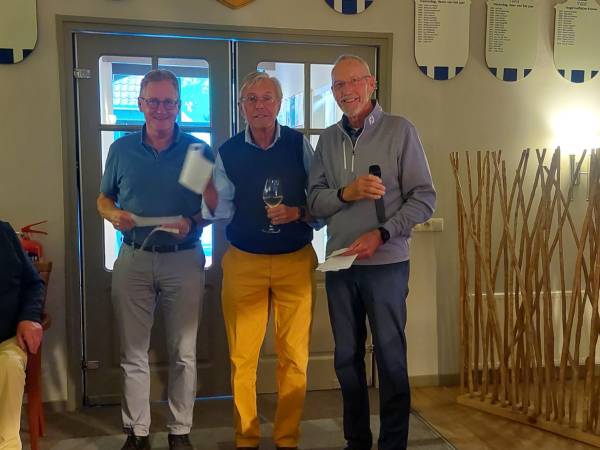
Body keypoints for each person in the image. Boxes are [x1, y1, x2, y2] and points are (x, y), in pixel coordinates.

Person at [308, 55, 436, 450]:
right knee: (346, 359)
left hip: (387, 265)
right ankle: (357, 441)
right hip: (340, 265)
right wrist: (346, 193)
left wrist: (382, 233)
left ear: (371, 83)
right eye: (338, 85)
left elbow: (424, 199)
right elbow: (314, 203)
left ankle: (393, 443)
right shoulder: (327, 140)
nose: (346, 91)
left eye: (353, 82)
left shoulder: (400, 131)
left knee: (391, 357)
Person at [97, 69, 217, 450]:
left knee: (183, 352)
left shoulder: (196, 151)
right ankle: (138, 432)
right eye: (153, 101)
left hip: (183, 260)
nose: (161, 109)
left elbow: (211, 208)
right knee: (133, 352)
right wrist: (112, 214)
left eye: (168, 102)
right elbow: (103, 198)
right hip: (134, 258)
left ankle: (180, 431)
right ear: (140, 104)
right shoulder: (121, 150)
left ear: (179, 106)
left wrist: (193, 222)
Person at [203, 71, 318, 450]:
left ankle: (287, 439)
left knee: (295, 358)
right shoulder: (228, 151)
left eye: (267, 98)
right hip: (244, 262)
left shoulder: (300, 146)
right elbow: (221, 210)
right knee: (242, 360)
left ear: (279, 104)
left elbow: (319, 200)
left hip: (295, 261)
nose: (260, 106)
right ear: (242, 107)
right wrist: (204, 195)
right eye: (251, 99)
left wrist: (298, 212)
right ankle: (246, 439)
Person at [0, 221, 45, 450]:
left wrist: (29, 317)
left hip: (6, 338)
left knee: (10, 364)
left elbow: (33, 283)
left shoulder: (4, 232)